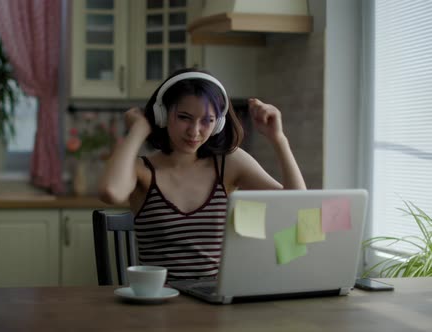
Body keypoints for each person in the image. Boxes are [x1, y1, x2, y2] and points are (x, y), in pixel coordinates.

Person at [98, 68, 306, 280]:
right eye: (184, 117)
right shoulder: (142, 170)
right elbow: (111, 193)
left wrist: (278, 139)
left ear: (219, 124)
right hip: (158, 302)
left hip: (215, 303)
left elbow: (296, 206)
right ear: (162, 114)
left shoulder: (228, 163)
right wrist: (140, 129)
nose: (194, 131)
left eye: (207, 120)